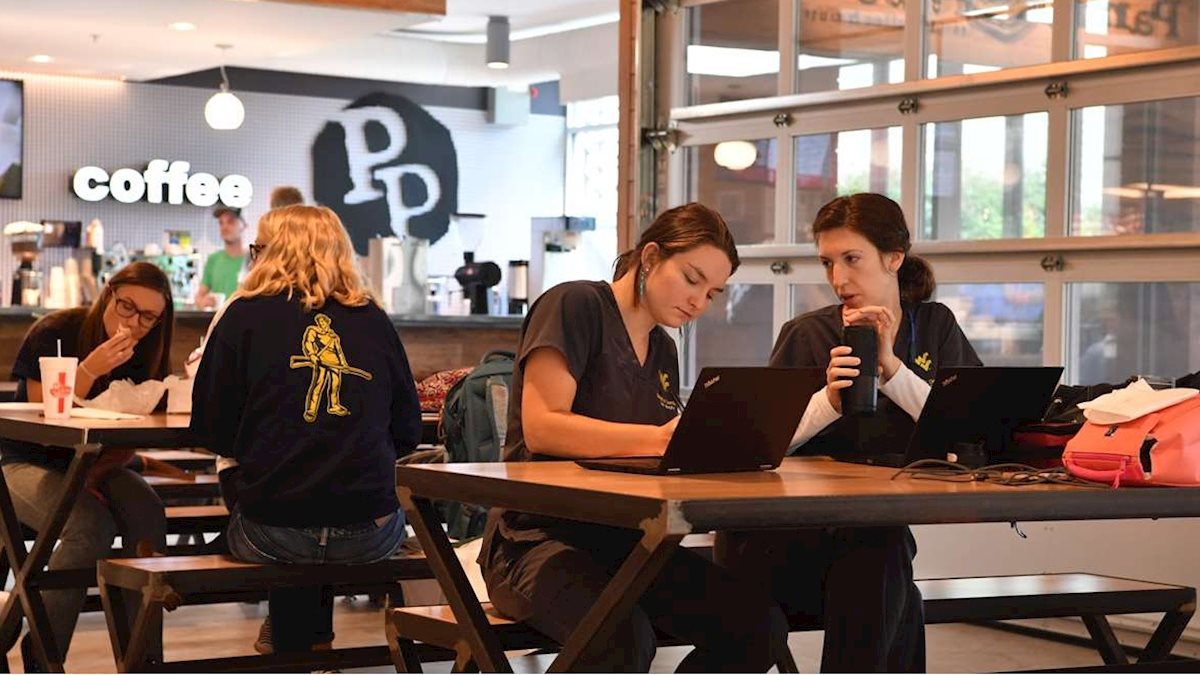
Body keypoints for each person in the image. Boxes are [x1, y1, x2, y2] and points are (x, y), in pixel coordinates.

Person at [478, 202, 790, 673]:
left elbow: (658, 452)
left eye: (713, 293)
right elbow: (544, 427)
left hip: (626, 546)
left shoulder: (663, 349)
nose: (698, 302)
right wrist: (659, 440)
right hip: (535, 543)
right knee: (621, 639)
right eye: (691, 278)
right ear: (649, 258)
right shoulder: (575, 305)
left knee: (757, 626)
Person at [717, 193, 982, 673]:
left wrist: (893, 369)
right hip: (787, 542)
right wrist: (829, 402)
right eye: (827, 263)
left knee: (886, 560)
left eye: (852, 259)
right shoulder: (807, 335)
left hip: (871, 536)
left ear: (893, 257)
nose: (839, 279)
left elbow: (969, 431)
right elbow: (759, 445)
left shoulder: (935, 325)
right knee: (889, 565)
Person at [190, 205, 420, 655]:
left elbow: (211, 431)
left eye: (258, 249)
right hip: (372, 532)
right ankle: (312, 648)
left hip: (271, 532)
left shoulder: (243, 316)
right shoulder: (373, 319)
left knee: (290, 505)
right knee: (319, 500)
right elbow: (408, 431)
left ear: (269, 254)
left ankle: (295, 645)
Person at [2, 261, 175, 668]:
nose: (133, 322)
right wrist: (89, 369)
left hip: (96, 464)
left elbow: (136, 427)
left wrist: (97, 470)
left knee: (147, 510)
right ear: (107, 291)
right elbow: (38, 420)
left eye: (149, 317)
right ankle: (43, 652)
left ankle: (144, 660)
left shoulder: (148, 350)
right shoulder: (56, 331)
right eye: (126, 306)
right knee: (89, 525)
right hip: (23, 460)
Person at [195, 206, 247, 309]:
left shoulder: (253, 260)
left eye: (230, 222)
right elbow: (199, 296)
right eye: (221, 223)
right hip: (220, 321)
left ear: (243, 226)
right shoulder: (213, 260)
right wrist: (203, 301)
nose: (224, 227)